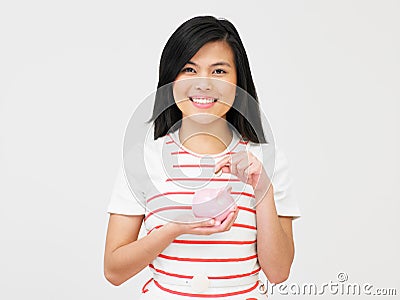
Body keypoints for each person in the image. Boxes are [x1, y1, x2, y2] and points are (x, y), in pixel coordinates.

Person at [104, 15, 301, 299]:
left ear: (238, 80)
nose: (204, 84)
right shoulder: (142, 161)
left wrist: (262, 187)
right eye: (189, 70)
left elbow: (279, 271)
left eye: (219, 71)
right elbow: (114, 270)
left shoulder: (266, 160)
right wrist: (174, 229)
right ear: (171, 79)